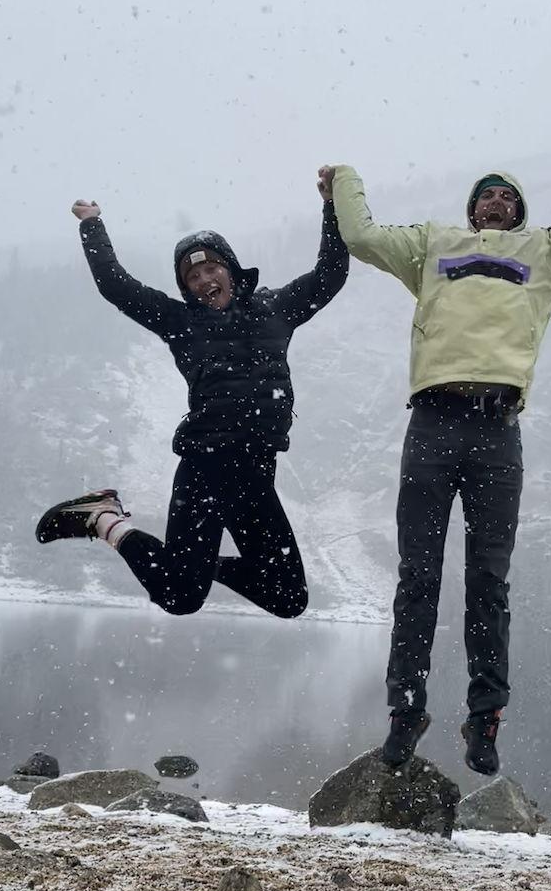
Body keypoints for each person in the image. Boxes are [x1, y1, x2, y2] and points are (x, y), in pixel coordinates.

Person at [318, 45, 551, 774]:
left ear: (520, 211)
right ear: (472, 206)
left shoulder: (548, 250)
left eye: (508, 195)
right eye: (487, 194)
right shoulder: (434, 246)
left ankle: (483, 721)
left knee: (488, 582)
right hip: (432, 425)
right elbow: (363, 234)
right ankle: (405, 714)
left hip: (498, 429)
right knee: (419, 578)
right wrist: (345, 179)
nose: (497, 200)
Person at [35, 193, 349, 619]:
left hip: (256, 472)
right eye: (192, 276)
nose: (203, 279)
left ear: (232, 270)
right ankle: (104, 519)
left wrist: (332, 205)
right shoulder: (180, 323)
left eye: (211, 268)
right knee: (181, 597)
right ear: (185, 289)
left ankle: (193, 567)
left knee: (289, 598)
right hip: (207, 467)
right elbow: (115, 284)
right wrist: (91, 224)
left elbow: (330, 273)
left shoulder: (276, 309)